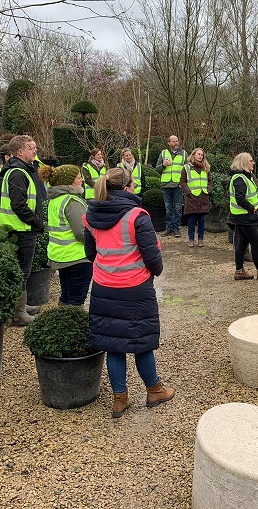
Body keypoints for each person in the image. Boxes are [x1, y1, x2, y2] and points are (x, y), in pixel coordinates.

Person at [83, 167, 175, 419]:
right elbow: (152, 258)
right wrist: (151, 271)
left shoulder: (91, 215)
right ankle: (154, 390)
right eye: (133, 185)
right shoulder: (137, 216)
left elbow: (90, 252)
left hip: (104, 287)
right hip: (135, 288)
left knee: (114, 344)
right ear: (126, 188)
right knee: (141, 341)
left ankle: (120, 399)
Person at [0, 135, 48, 326]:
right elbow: (19, 204)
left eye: (35, 147)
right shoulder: (18, 173)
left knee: (23, 270)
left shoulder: (20, 170)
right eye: (31, 148)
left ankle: (22, 305)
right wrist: (36, 222)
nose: (35, 150)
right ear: (20, 152)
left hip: (21, 228)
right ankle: (18, 312)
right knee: (22, 271)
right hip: (21, 230)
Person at [39, 164, 92, 306]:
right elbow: (82, 232)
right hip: (77, 256)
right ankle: (73, 326)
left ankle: (61, 322)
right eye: (78, 177)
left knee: (66, 296)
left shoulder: (55, 199)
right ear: (69, 182)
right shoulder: (71, 201)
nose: (81, 180)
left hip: (61, 255)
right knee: (76, 300)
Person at [228, 152, 258, 282]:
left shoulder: (246, 177)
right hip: (244, 216)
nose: (253, 163)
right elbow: (240, 198)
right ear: (244, 163)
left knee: (242, 242)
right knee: (256, 241)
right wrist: (252, 209)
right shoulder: (240, 178)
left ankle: (239, 270)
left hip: (244, 215)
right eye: (251, 161)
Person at [180, 147, 213, 247]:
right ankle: (191, 239)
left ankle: (201, 239)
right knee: (191, 220)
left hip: (203, 197)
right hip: (192, 198)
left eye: (202, 155)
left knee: (202, 220)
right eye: (198, 154)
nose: (200, 156)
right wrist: (188, 192)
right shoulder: (186, 167)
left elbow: (210, 181)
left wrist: (209, 190)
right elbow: (182, 181)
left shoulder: (206, 168)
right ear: (193, 155)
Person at [156, 135, 187, 237]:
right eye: (173, 141)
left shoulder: (184, 154)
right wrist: (164, 165)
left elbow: (187, 170)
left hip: (178, 186)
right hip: (166, 185)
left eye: (177, 141)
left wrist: (184, 183)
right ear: (169, 143)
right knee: (168, 208)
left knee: (178, 208)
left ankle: (176, 228)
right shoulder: (163, 153)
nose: (175, 143)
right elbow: (157, 169)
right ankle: (169, 228)